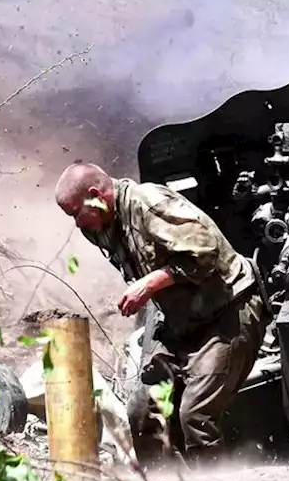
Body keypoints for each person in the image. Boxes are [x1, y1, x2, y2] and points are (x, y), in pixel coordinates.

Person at [54, 162, 271, 462]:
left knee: (196, 415)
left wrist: (150, 284)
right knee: (142, 411)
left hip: (227, 311)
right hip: (180, 318)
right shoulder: (101, 227)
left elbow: (206, 251)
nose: (77, 224)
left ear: (96, 195)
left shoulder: (149, 203)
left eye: (77, 213)